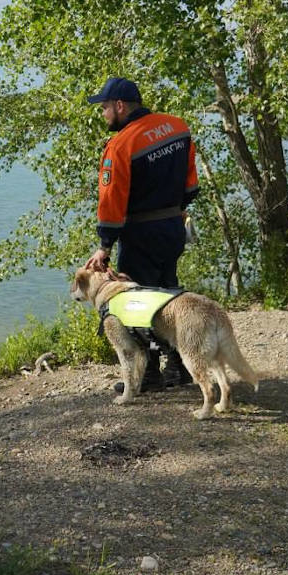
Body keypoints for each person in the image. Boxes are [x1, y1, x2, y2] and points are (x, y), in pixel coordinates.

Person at [82, 77, 199, 392]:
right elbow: (191, 185)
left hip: (141, 232)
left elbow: (111, 200)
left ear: (120, 105)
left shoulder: (120, 145)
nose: (103, 114)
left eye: (105, 107)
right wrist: (173, 211)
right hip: (173, 227)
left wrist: (105, 244)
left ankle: (147, 377)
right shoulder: (178, 128)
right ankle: (181, 367)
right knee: (170, 294)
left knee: (136, 302)